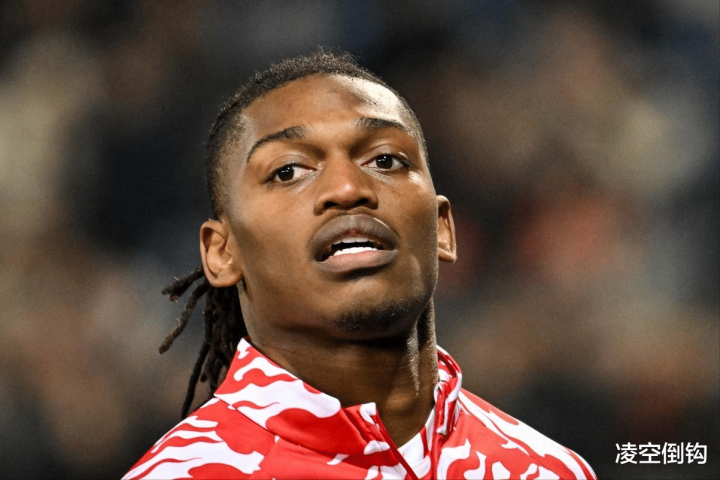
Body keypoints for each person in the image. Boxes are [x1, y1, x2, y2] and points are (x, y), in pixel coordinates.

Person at [124, 50, 596, 480]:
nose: (347, 188)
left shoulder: (550, 470)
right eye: (288, 171)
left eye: (385, 160)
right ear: (222, 253)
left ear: (442, 228)